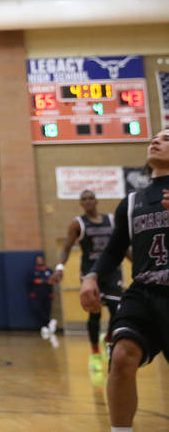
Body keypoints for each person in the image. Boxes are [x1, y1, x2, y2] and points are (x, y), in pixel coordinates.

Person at [80, 128, 169, 432]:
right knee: (121, 356)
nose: (156, 141)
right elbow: (114, 250)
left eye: (167, 138)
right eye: (154, 137)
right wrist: (91, 276)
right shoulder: (132, 202)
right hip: (143, 290)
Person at [50, 188, 123, 370]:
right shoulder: (78, 224)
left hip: (112, 272)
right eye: (84, 199)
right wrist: (60, 267)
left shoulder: (112, 220)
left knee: (117, 312)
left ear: (96, 201)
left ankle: (108, 340)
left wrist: (138, 267)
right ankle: (95, 353)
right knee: (95, 314)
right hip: (90, 274)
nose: (88, 201)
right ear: (81, 204)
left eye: (91, 198)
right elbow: (66, 248)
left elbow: (121, 247)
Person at [28, 255, 57, 342]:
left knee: (47, 310)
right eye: (38, 260)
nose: (39, 261)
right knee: (37, 309)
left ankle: (46, 327)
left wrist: (46, 283)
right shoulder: (33, 271)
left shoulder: (49, 270)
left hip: (47, 294)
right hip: (36, 295)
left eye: (40, 259)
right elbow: (31, 281)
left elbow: (52, 281)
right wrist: (43, 281)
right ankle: (49, 322)